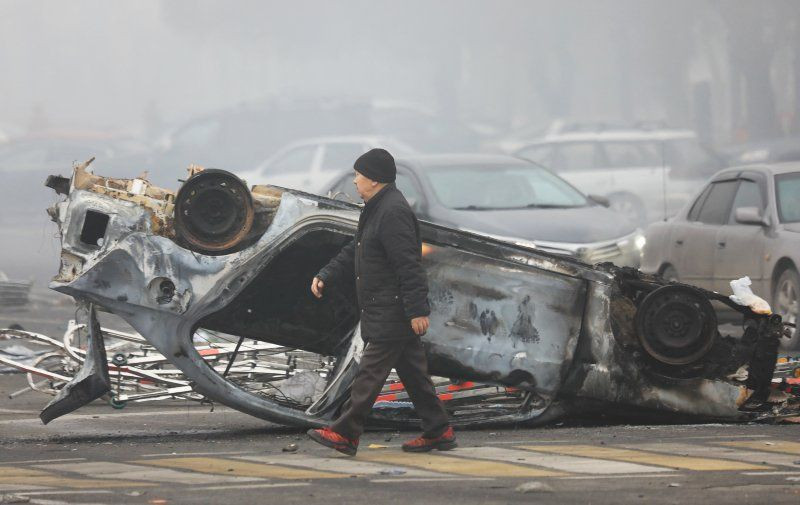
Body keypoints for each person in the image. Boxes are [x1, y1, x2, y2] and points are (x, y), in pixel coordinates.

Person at [306, 148, 455, 456]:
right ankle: (439, 430)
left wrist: (417, 310)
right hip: (385, 306)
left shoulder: (392, 212)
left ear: (374, 180)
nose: (355, 182)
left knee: (369, 375)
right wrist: (326, 273)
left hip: (393, 308)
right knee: (414, 375)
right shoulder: (376, 208)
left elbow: (408, 264)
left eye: (358, 176)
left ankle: (345, 433)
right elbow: (355, 250)